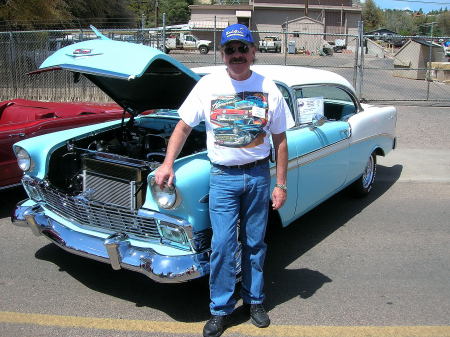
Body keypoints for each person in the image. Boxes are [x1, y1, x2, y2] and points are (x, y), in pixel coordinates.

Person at [154, 23, 294, 337]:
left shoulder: (268, 88)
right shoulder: (208, 86)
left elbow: (281, 141)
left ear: (253, 51)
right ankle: (220, 309)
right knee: (222, 245)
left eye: (243, 48)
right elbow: (183, 127)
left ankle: (255, 300)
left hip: (258, 175)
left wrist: (281, 184)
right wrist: (167, 164)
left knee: (255, 243)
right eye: (230, 50)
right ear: (223, 54)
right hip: (223, 179)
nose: (237, 55)